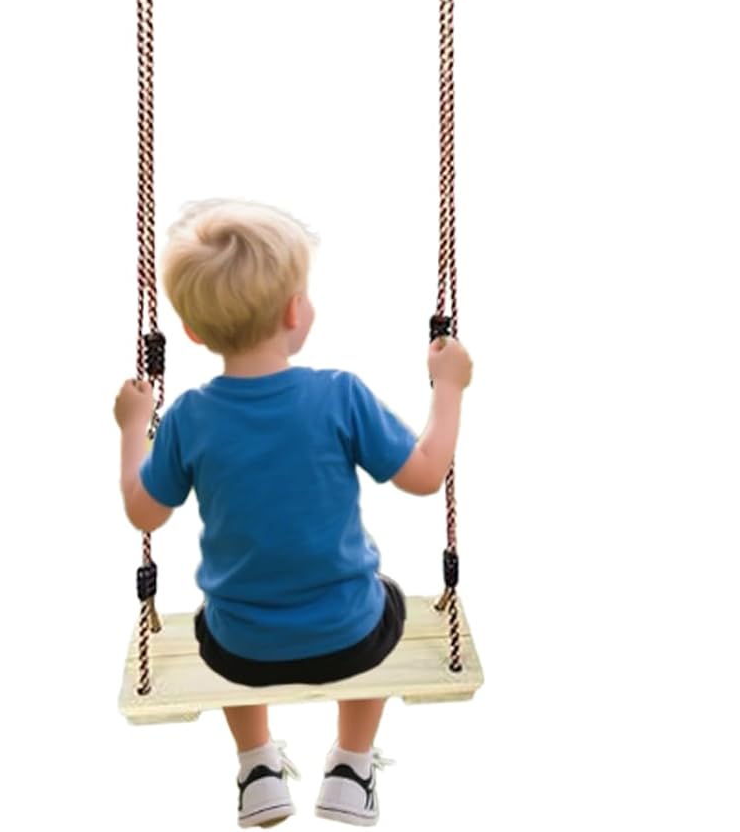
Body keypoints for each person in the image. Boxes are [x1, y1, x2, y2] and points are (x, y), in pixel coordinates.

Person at [114, 198, 473, 827]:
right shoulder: (339, 395)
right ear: (292, 312)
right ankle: (351, 769)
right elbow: (424, 475)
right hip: (350, 639)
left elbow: (144, 514)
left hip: (239, 650)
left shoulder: (190, 418)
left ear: (192, 332)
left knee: (216, 613)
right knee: (381, 598)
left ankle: (257, 769)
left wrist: (131, 429)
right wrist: (449, 387)